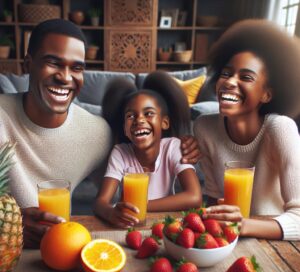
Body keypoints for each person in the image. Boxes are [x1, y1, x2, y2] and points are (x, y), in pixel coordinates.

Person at [0, 19, 200, 248]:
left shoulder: (98, 133)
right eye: (53, 63)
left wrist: (185, 142)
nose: (65, 77)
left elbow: (116, 185)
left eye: (76, 68)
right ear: (27, 65)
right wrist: (8, 225)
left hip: (61, 246)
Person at [193, 19, 300, 240]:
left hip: (275, 245)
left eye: (246, 77)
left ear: (266, 95)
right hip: (228, 242)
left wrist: (244, 225)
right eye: (226, 73)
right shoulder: (204, 127)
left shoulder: (280, 129)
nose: (230, 82)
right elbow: (213, 201)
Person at [95, 71, 202, 228]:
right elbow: (100, 202)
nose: (139, 120)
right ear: (125, 128)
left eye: (149, 113)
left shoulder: (173, 147)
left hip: (165, 225)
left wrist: (142, 206)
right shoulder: (120, 152)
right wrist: (111, 212)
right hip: (130, 224)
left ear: (164, 123)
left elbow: (194, 197)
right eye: (131, 116)